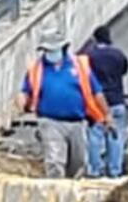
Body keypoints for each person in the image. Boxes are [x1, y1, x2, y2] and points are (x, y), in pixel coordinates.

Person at [17, 27, 109, 178]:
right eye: (46, 50)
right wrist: (22, 99)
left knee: (78, 163)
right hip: (50, 122)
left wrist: (107, 115)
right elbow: (26, 90)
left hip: (77, 122)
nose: (50, 54)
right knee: (55, 161)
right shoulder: (37, 69)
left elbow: (96, 92)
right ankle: (55, 192)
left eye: (53, 49)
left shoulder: (79, 66)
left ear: (63, 48)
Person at [80, 22, 128, 176]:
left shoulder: (90, 56)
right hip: (117, 100)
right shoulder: (118, 55)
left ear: (95, 39)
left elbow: (83, 75)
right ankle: (115, 170)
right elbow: (124, 71)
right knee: (115, 135)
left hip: (96, 104)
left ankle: (95, 170)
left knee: (95, 136)